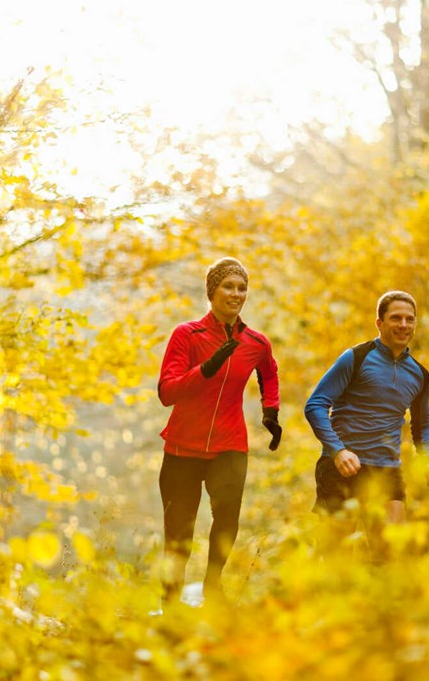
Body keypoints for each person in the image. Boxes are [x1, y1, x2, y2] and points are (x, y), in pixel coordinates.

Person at [157, 257, 281, 605]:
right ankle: (170, 598)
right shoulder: (187, 335)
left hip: (230, 444)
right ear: (212, 291)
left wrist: (270, 411)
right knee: (178, 533)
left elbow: (269, 372)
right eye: (228, 286)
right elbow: (167, 392)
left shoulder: (256, 342)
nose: (236, 293)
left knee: (227, 518)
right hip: (183, 447)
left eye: (242, 288)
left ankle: (213, 586)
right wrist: (206, 369)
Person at [304, 290, 429, 556]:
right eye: (396, 318)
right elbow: (316, 405)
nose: (403, 325)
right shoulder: (355, 358)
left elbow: (422, 424)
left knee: (390, 557)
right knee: (336, 560)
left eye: (409, 319)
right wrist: (337, 450)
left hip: (387, 471)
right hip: (341, 468)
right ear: (379, 323)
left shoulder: (420, 374)